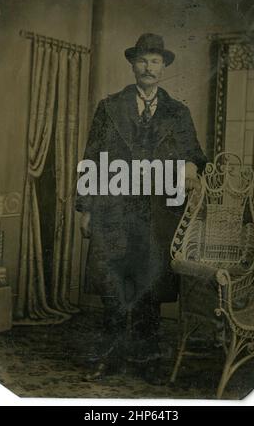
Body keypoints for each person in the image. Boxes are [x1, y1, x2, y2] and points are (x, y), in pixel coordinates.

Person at [76, 33, 207, 383]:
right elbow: (91, 158)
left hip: (157, 213)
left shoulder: (178, 113)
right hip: (114, 209)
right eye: (142, 61)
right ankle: (112, 355)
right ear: (132, 65)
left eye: (155, 61)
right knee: (114, 288)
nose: (148, 68)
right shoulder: (109, 107)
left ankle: (147, 356)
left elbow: (195, 153)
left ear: (162, 67)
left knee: (149, 289)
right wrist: (86, 208)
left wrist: (191, 166)